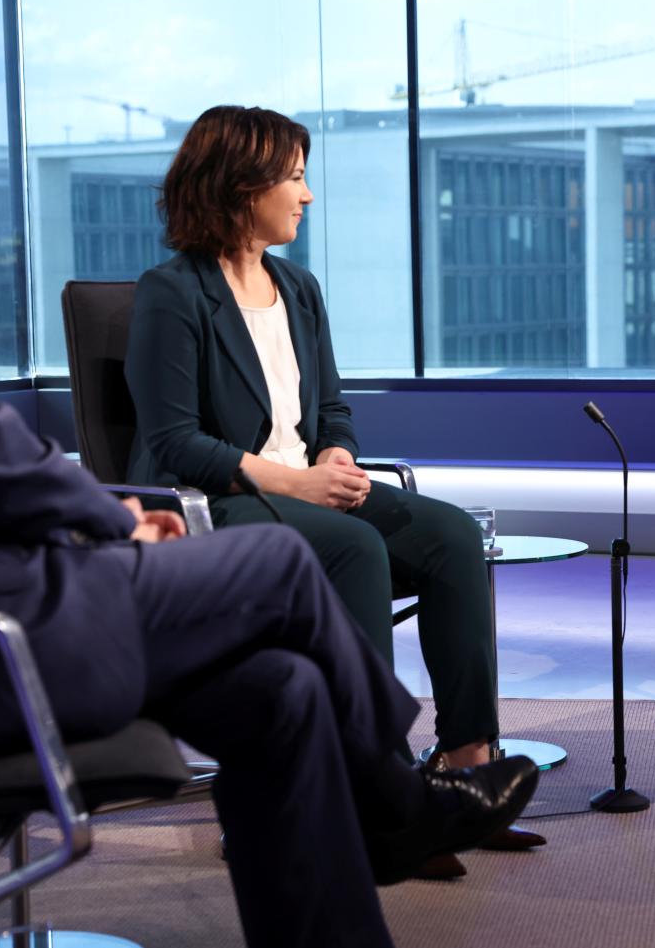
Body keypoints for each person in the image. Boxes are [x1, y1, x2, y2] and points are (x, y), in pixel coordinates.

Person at [0, 21, 538, 948]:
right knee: (279, 571)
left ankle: (372, 852)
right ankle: (400, 801)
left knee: (283, 691)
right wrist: (113, 522)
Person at [122, 105, 543, 863]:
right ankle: (372, 791)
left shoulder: (299, 287)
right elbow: (174, 443)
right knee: (353, 547)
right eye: (293, 177)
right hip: (221, 506)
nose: (306, 194)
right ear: (239, 187)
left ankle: (463, 768)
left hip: (305, 490)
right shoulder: (172, 293)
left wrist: (338, 459)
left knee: (450, 534)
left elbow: (332, 409)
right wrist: (296, 483)